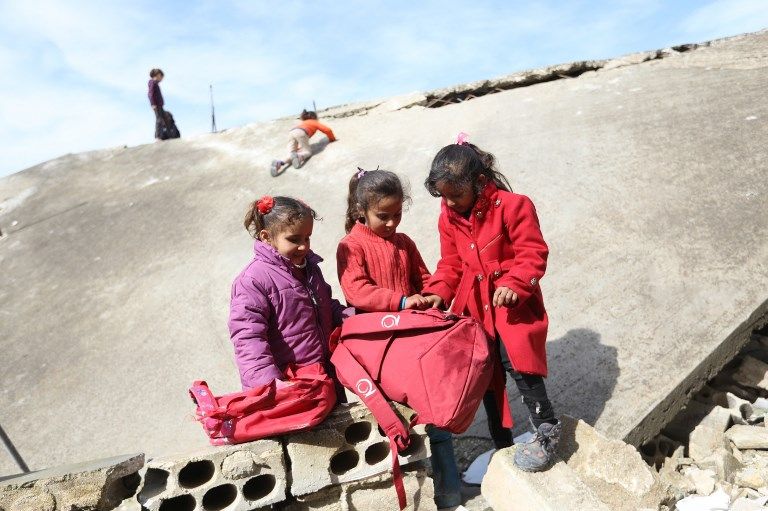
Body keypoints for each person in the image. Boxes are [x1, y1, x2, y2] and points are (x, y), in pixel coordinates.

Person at [421, 133, 561, 473]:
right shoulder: (448, 216)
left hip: (510, 305)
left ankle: (546, 429)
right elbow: (451, 264)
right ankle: (502, 445)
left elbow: (533, 252)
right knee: (486, 374)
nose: (450, 202)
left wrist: (515, 283)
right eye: (444, 196)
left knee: (519, 365)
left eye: (456, 195)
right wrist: (438, 292)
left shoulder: (515, 206)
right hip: (474, 307)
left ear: (480, 182)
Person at [336, 168, 462, 509]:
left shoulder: (404, 242)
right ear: (361, 210)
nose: (392, 224)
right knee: (398, 419)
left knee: (436, 413)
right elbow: (356, 291)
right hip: (380, 350)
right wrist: (401, 302)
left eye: (397, 216)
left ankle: (450, 492)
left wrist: (434, 294)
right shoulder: (350, 246)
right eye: (383, 216)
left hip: (414, 342)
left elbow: (423, 278)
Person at [229, 195, 351, 395]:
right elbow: (248, 339)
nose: (304, 246)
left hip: (325, 375)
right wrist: (272, 387)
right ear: (266, 237)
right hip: (291, 387)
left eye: (307, 237)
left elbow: (327, 306)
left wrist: (358, 319)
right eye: (294, 239)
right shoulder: (252, 282)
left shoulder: (309, 268)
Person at [271, 110, 336, 176]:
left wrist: (298, 148)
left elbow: (298, 137)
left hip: (292, 132)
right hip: (302, 132)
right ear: (314, 117)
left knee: (292, 153)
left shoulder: (303, 123)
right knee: (307, 152)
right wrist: (332, 139)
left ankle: (279, 163)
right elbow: (328, 130)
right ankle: (299, 157)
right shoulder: (314, 121)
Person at [147, 68, 166, 141]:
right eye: (161, 76)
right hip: (156, 105)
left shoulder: (156, 84)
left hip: (160, 105)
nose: (161, 79)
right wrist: (153, 103)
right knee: (159, 119)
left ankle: (161, 136)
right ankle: (158, 137)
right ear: (157, 75)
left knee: (163, 119)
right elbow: (150, 93)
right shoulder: (152, 82)